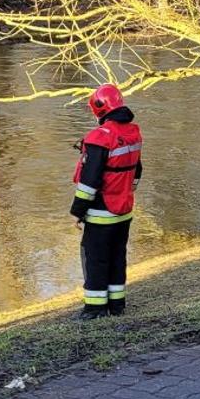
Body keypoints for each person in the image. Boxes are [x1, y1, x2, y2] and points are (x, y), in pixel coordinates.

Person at [70, 84, 143, 320]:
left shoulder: (100, 138)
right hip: (124, 210)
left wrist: (78, 211)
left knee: (96, 259)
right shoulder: (133, 133)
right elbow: (136, 172)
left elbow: (89, 182)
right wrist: (125, 192)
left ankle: (94, 309)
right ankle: (117, 305)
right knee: (117, 257)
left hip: (102, 211)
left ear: (99, 109)